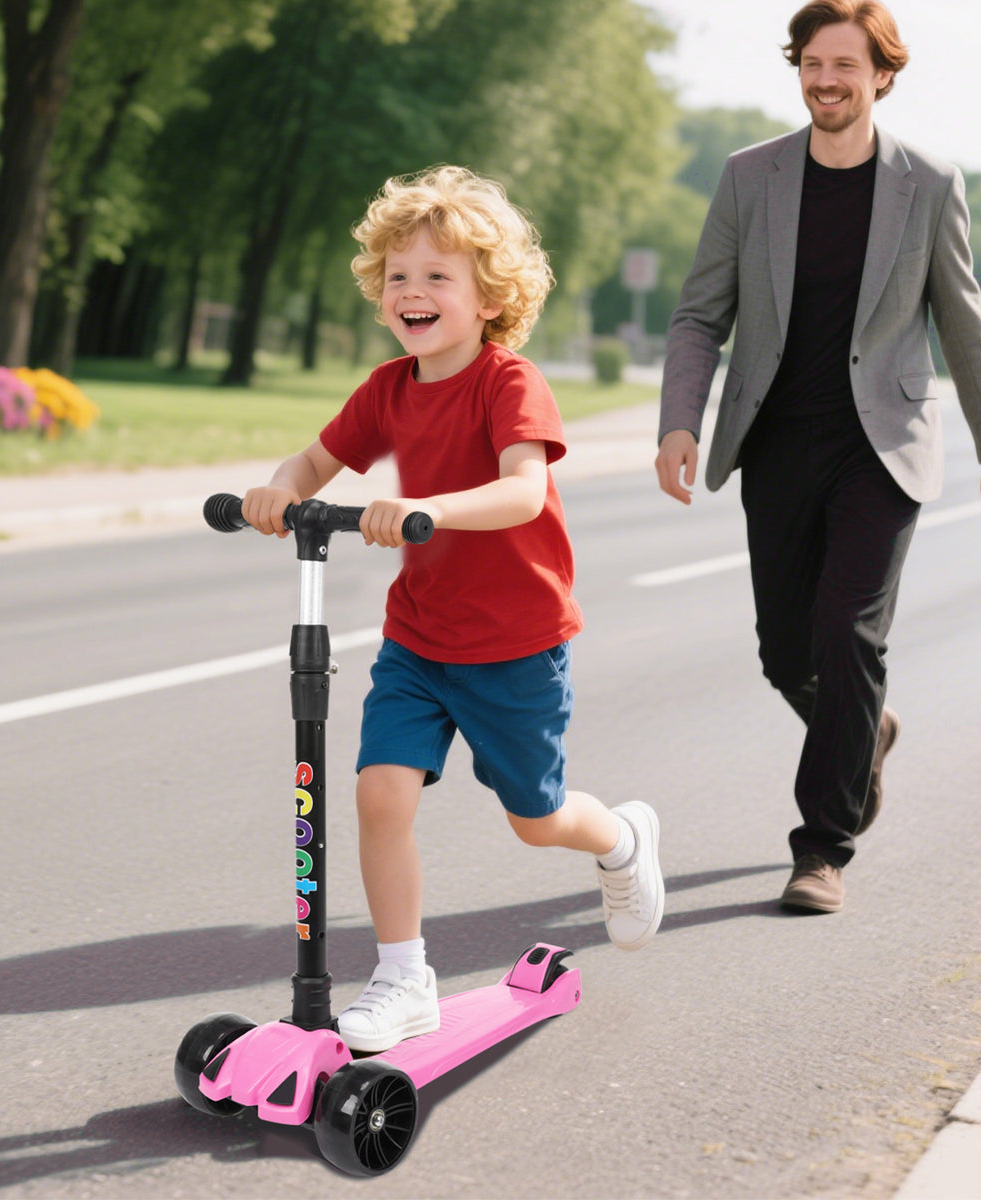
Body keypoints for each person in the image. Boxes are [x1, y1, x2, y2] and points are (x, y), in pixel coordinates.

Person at [242, 165, 665, 1052]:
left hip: (514, 645)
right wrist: (277, 490)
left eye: (438, 276)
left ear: (488, 298)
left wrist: (426, 513)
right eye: (399, 275)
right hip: (420, 641)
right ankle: (404, 978)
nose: (413, 292)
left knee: (536, 817)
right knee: (379, 793)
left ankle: (621, 838)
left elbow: (520, 492)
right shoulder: (388, 389)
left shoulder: (509, 384)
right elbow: (314, 464)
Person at [655, 0, 981, 914]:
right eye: (812, 62)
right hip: (781, 442)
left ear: (882, 73)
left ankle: (822, 847)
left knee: (849, 633)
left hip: (884, 448)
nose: (826, 79)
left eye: (846, 64)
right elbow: (698, 314)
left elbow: (965, 323)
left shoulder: (929, 180)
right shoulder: (750, 176)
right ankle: (862, 732)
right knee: (783, 651)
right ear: (797, 70)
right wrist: (680, 420)